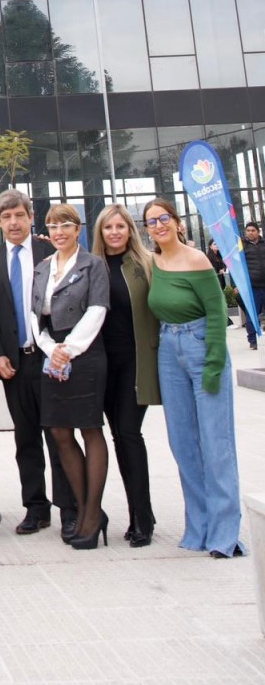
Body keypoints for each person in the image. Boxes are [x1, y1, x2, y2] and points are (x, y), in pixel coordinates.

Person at [144, 198, 245, 558]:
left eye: (163, 218)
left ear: (177, 221)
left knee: (216, 444)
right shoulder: (152, 263)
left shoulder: (197, 259)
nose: (158, 225)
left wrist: (216, 363)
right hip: (169, 351)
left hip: (202, 347)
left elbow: (217, 312)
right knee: (183, 443)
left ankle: (224, 534)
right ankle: (198, 527)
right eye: (151, 221)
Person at [0, 190, 76, 538]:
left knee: (60, 435)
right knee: (26, 438)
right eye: (6, 217)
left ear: (31, 217)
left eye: (19, 215)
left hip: (51, 360)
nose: (14, 222)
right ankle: (36, 508)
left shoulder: (53, 252)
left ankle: (70, 509)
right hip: (13, 363)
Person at [30, 204, 110, 550]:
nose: (59, 231)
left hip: (85, 354)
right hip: (52, 357)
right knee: (60, 433)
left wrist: (70, 349)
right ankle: (81, 506)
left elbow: (97, 309)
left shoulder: (93, 264)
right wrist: (51, 349)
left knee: (89, 430)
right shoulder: (42, 268)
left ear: (78, 229)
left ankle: (92, 515)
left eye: (66, 225)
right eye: (53, 225)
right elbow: (35, 315)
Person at [91, 205, 160, 546]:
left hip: (136, 362)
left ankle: (143, 518)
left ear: (130, 230)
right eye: (108, 227)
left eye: (121, 226)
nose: (115, 232)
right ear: (100, 233)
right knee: (118, 436)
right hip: (104, 365)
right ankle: (137, 514)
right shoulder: (93, 267)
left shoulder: (146, 264)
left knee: (130, 433)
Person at [236, 221, 265, 350]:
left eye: (253, 230)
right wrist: (236, 284)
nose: (250, 233)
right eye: (248, 230)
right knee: (252, 313)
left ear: (258, 232)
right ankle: (252, 340)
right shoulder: (241, 246)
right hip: (252, 285)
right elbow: (236, 266)